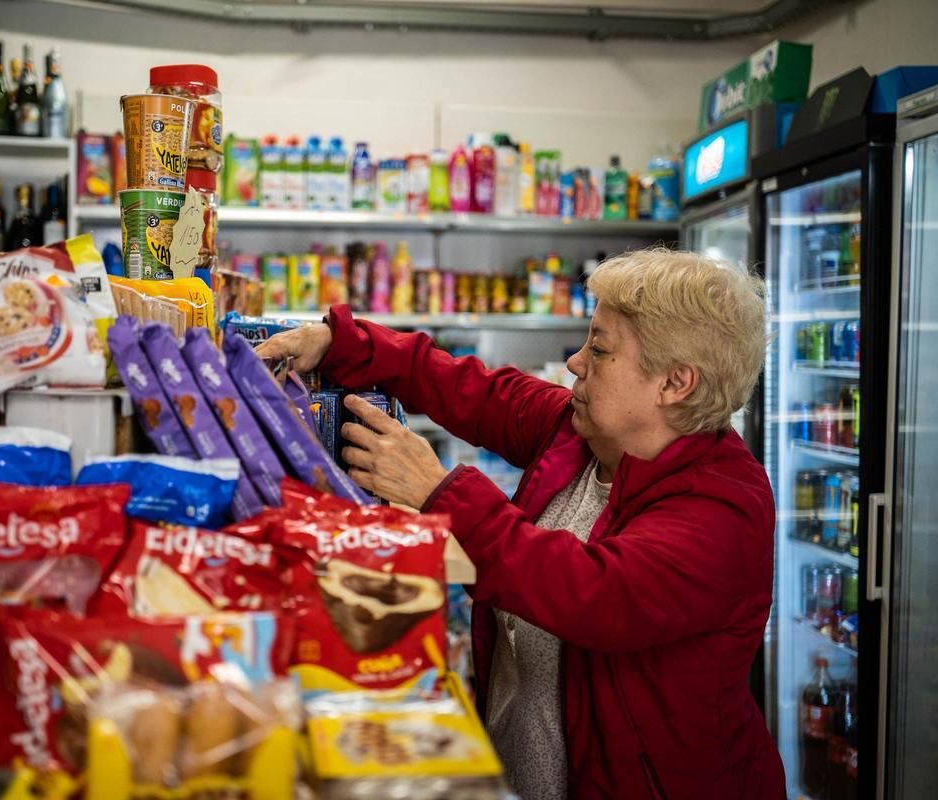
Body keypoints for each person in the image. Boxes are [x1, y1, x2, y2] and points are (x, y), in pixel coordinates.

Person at [256, 248, 785, 800]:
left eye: (600, 349)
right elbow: (476, 391)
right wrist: (344, 343)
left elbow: (591, 592)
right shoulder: (587, 434)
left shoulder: (724, 509)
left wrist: (439, 492)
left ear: (675, 384)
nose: (576, 362)